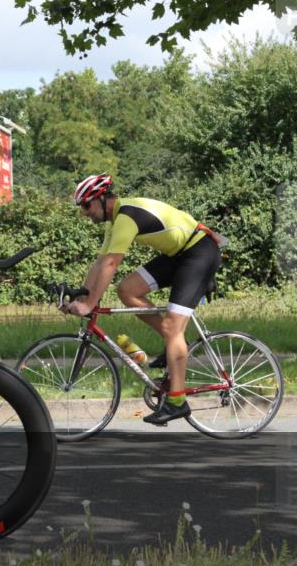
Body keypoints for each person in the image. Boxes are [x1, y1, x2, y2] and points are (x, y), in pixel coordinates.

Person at [62, 174, 223, 424]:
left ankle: (177, 401)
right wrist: (81, 295)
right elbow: (101, 263)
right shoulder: (115, 221)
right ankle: (175, 344)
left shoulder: (126, 217)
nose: (84, 213)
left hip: (199, 253)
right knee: (127, 290)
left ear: (102, 198)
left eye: (86, 205)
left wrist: (90, 304)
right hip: (179, 254)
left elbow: (113, 263)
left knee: (172, 327)